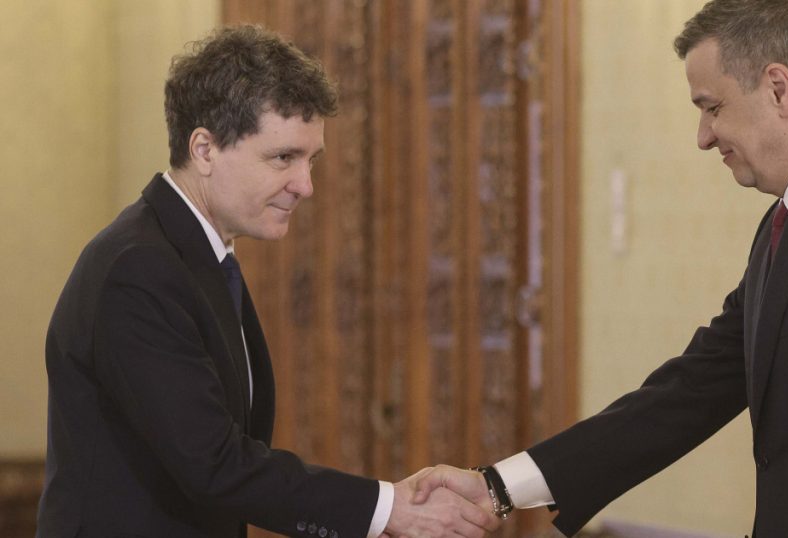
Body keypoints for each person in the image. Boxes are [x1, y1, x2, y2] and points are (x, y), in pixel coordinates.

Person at [413, 1, 788, 536]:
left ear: (779, 88)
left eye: (712, 108)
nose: (703, 136)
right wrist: (499, 486)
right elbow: (690, 391)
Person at [37, 25, 499, 538]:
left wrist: (385, 503)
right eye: (283, 158)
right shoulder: (138, 269)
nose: (305, 186)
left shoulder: (194, 257)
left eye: (310, 160)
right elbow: (214, 465)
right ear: (204, 149)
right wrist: (388, 508)